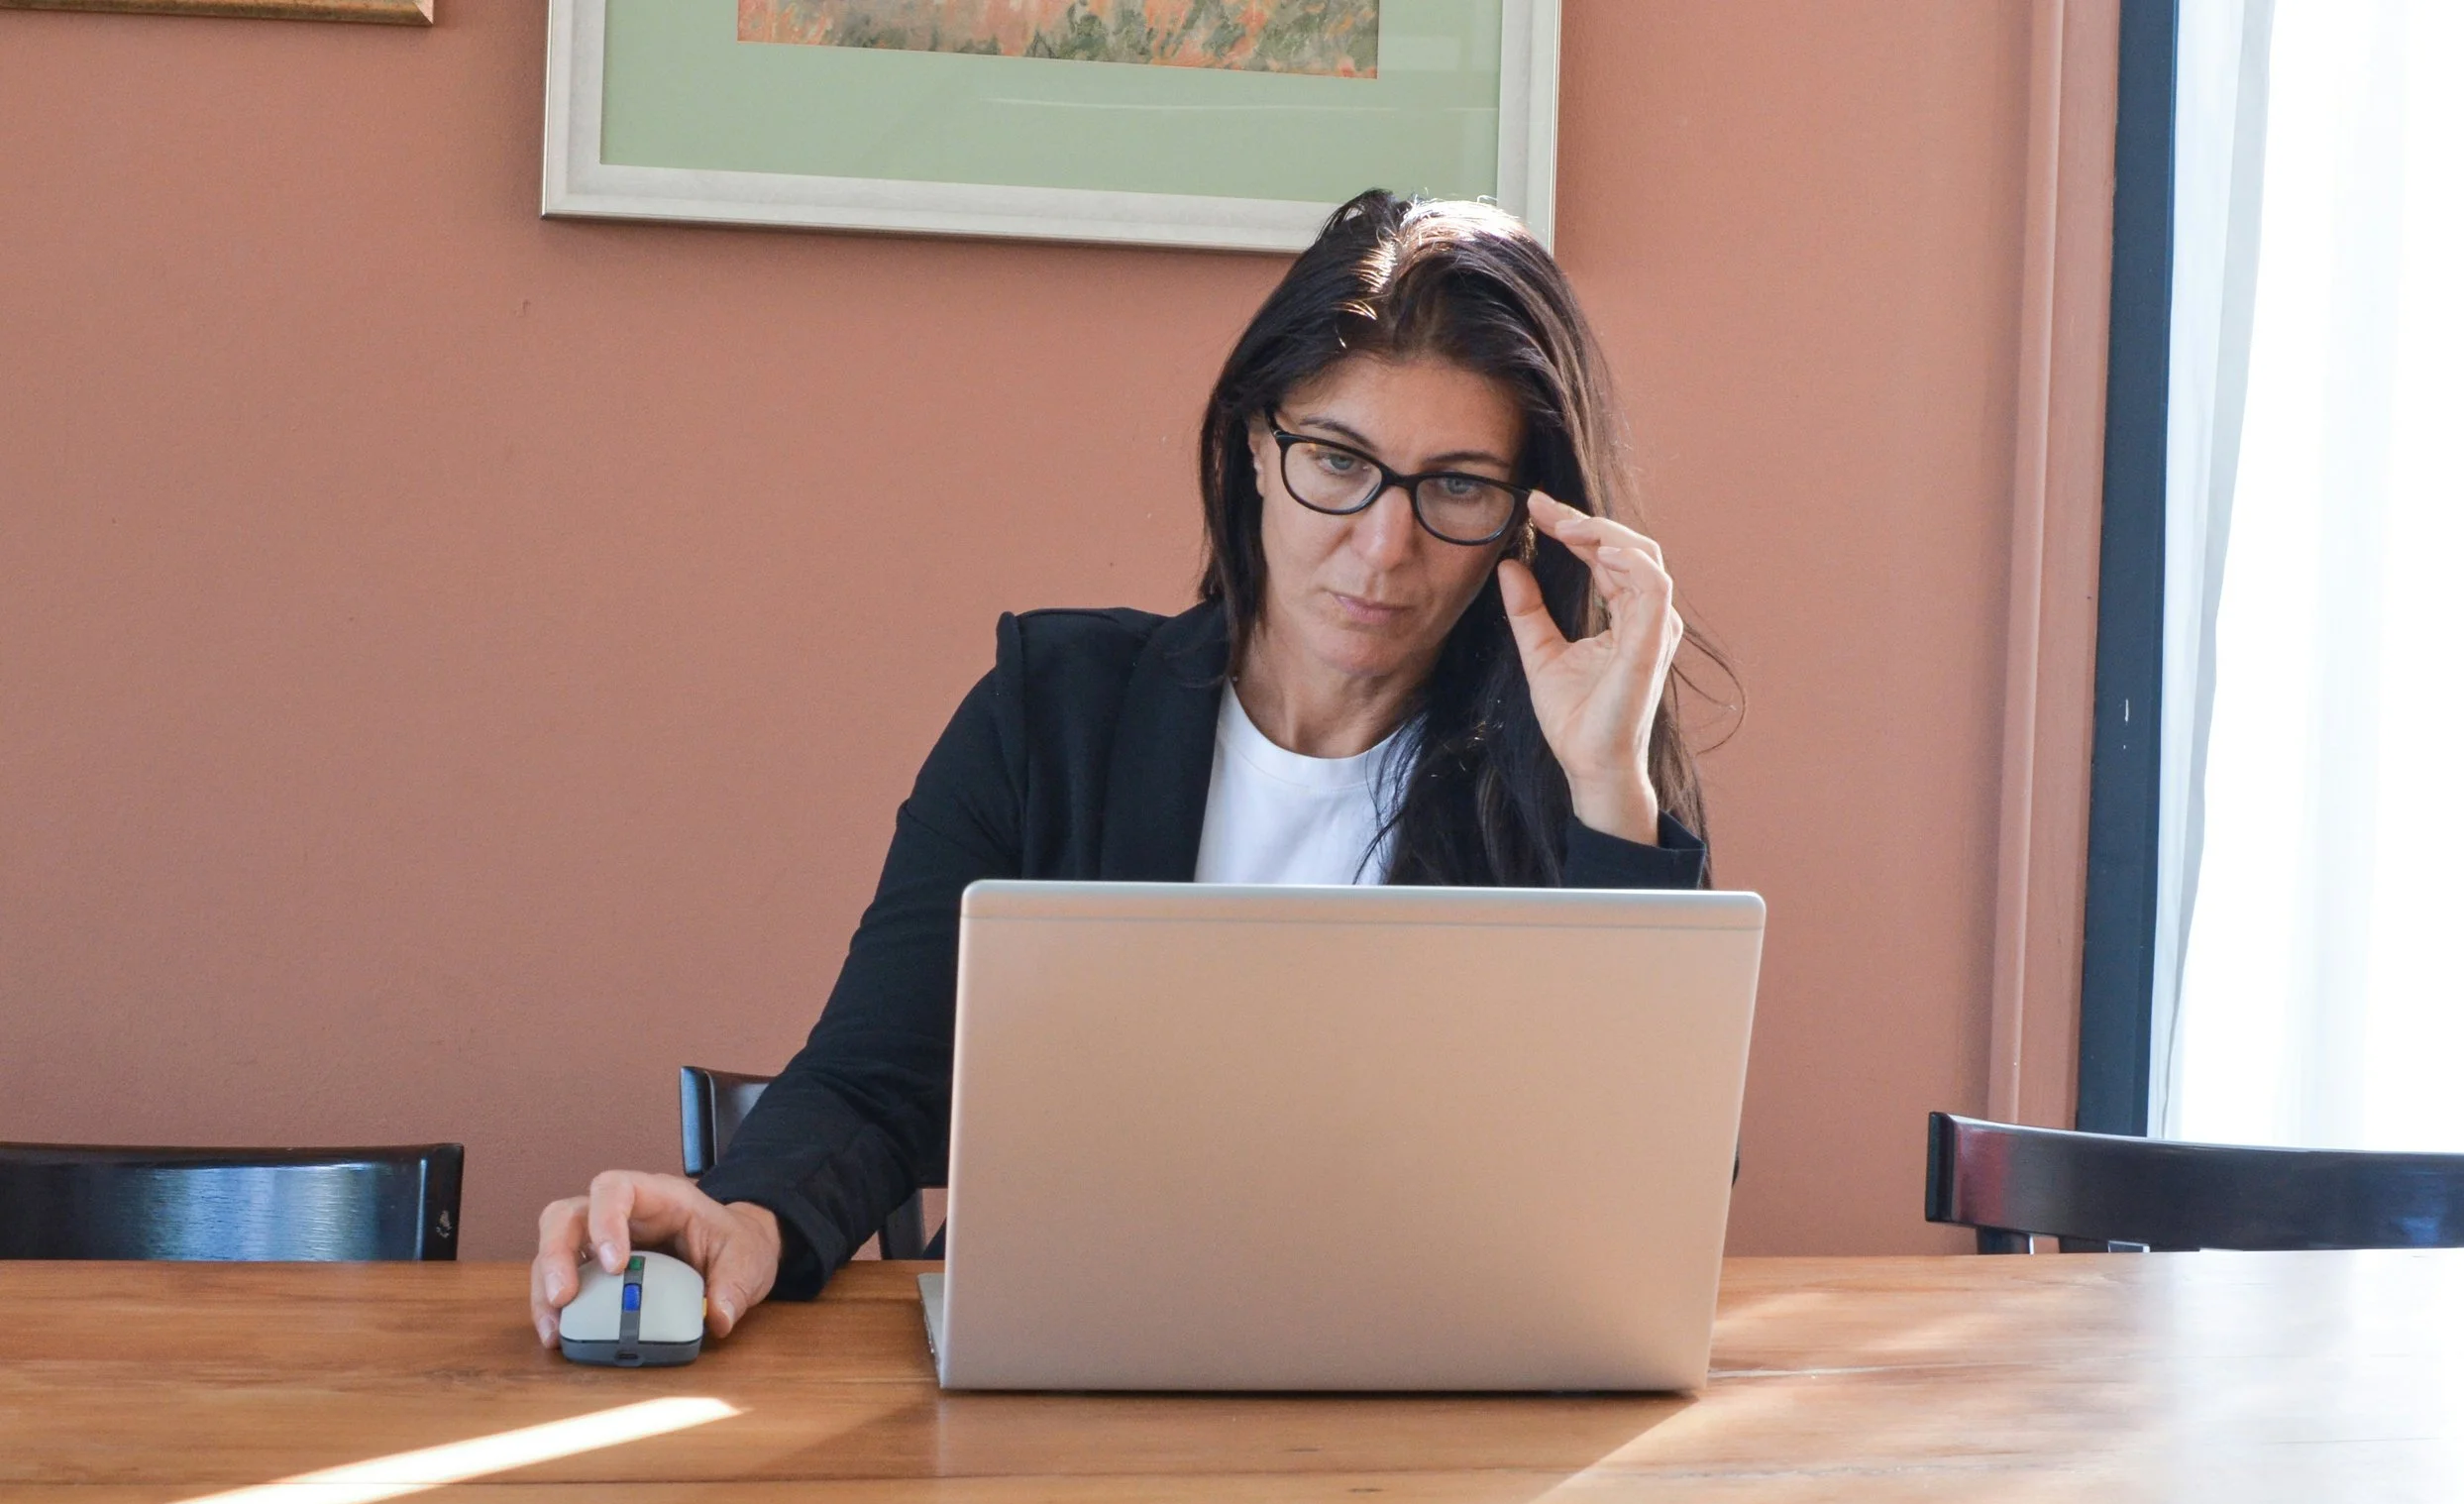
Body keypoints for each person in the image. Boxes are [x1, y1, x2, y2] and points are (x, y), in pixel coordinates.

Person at [528, 190, 1729, 1348]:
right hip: (1060, 1367)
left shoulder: (1572, 778)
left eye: (1456, 486)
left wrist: (1607, 790)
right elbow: (877, 1075)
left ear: (1527, 519)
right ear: (1256, 446)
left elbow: (1641, 1200)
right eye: (1336, 459)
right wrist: (747, 1216)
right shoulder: (1053, 711)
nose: (1382, 542)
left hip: (1428, 1398)